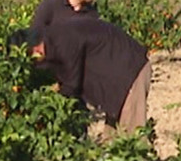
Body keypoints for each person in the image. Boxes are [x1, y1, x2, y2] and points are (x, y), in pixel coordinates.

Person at [18, 14, 151, 130]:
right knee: (112, 145)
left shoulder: (62, 41)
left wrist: (45, 104)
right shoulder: (52, 39)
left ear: (35, 48)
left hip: (130, 72)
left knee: (134, 139)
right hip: (115, 77)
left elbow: (71, 85)